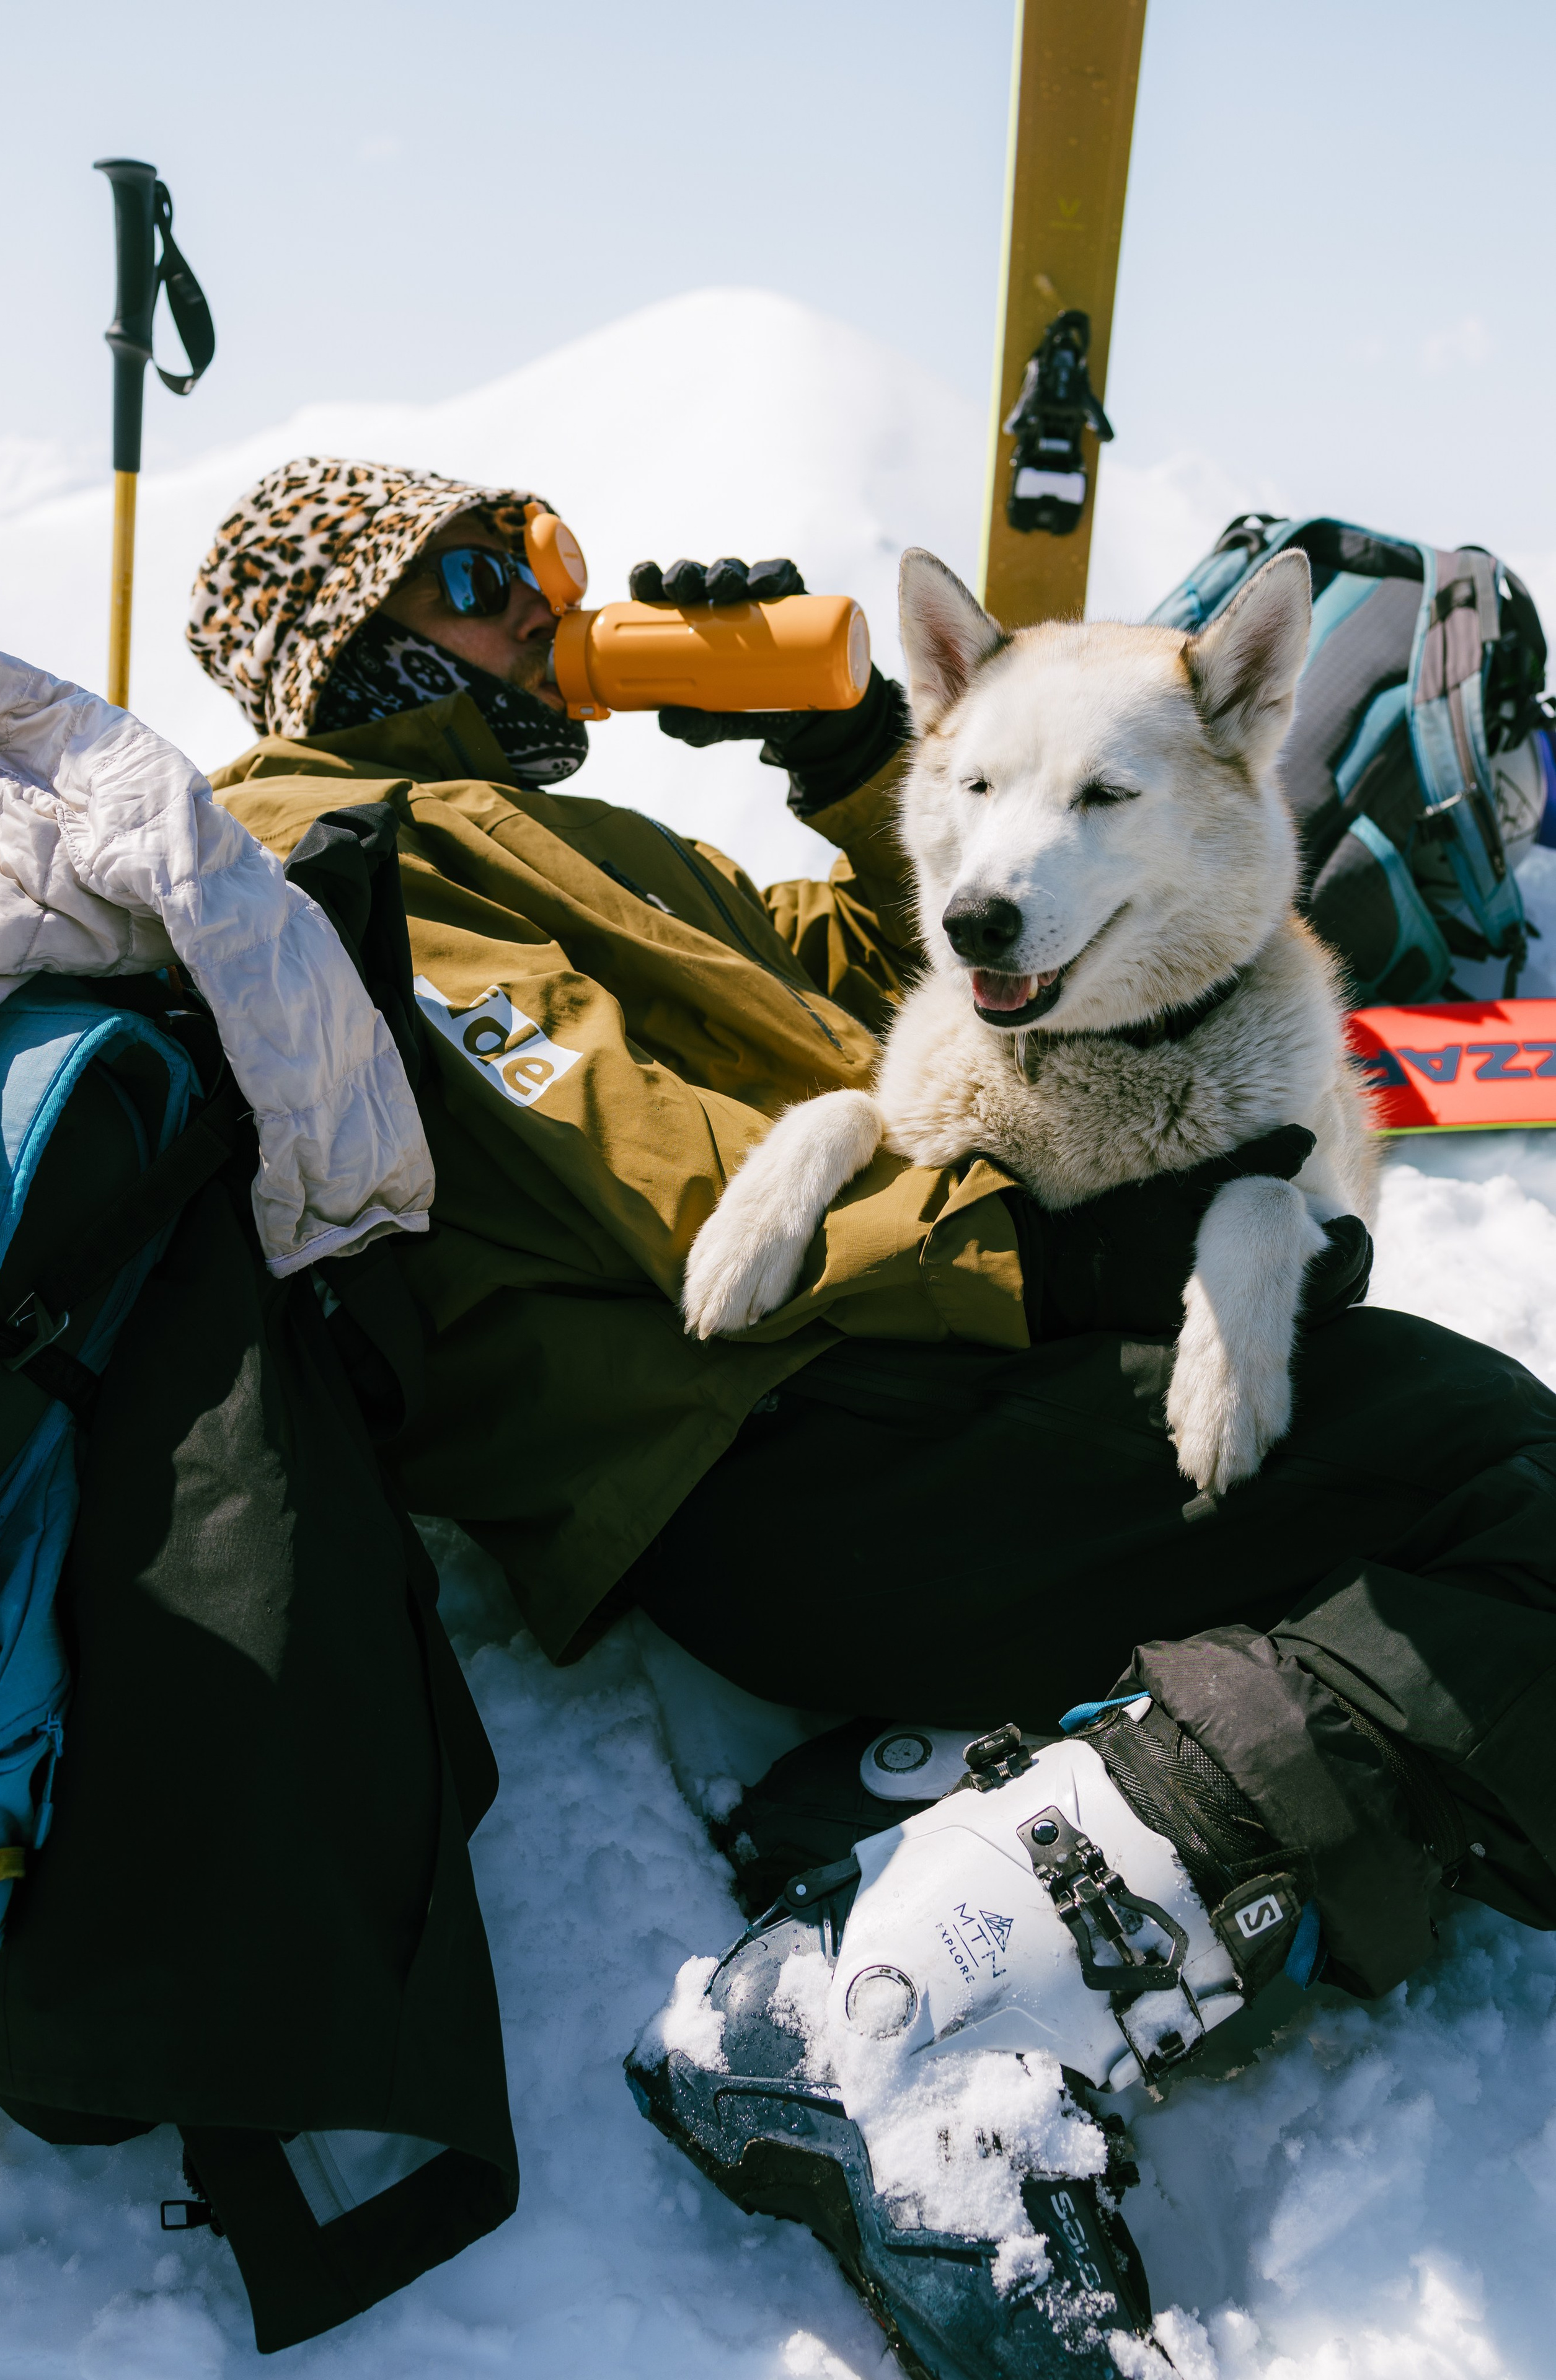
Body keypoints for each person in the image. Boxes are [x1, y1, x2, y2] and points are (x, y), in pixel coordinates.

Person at [187, 454, 1556, 2027]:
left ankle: (983, 1767)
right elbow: (656, 1170)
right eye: (486, 586)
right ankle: (1067, 1902)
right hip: (766, 1459)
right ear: (343, 643)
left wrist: (860, 752)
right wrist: (1066, 1257)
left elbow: (841, 964)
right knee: (1501, 1491)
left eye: (546, 569)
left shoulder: (529, 825)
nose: (546, 615)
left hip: (864, 1397)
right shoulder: (323, 866)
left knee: (1443, 1441)